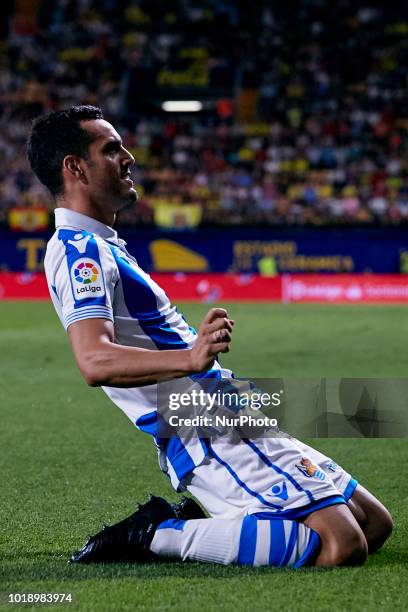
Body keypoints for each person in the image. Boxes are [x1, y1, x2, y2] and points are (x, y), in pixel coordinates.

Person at [27, 106, 393, 568]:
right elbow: (94, 360)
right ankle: (156, 534)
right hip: (199, 425)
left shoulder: (103, 246)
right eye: (111, 149)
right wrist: (192, 357)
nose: (128, 157)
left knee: (375, 524)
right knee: (343, 546)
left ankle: (221, 522)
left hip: (229, 406)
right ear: (75, 167)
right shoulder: (79, 251)